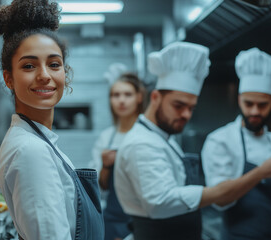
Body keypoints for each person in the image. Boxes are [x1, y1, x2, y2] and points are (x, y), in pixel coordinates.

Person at [113, 42, 271, 240]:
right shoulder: (142, 143)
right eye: (178, 106)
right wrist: (218, 192)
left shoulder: (164, 140)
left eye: (191, 108)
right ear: (155, 97)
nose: (186, 115)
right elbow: (160, 202)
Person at [0, 1, 104, 239]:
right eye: (29, 65)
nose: (44, 75)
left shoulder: (37, 140)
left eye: (54, 64)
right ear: (9, 79)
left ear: (66, 73)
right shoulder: (30, 150)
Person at [201, 48, 271, 240]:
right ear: (239, 99)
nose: (255, 111)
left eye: (262, 105)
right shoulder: (221, 141)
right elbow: (220, 199)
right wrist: (261, 172)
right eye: (249, 104)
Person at [90, 73, 145, 240]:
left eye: (128, 94)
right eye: (116, 95)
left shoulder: (148, 135)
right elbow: (101, 186)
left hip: (145, 220)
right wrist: (106, 165)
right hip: (114, 220)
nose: (121, 100)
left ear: (139, 97)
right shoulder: (106, 138)